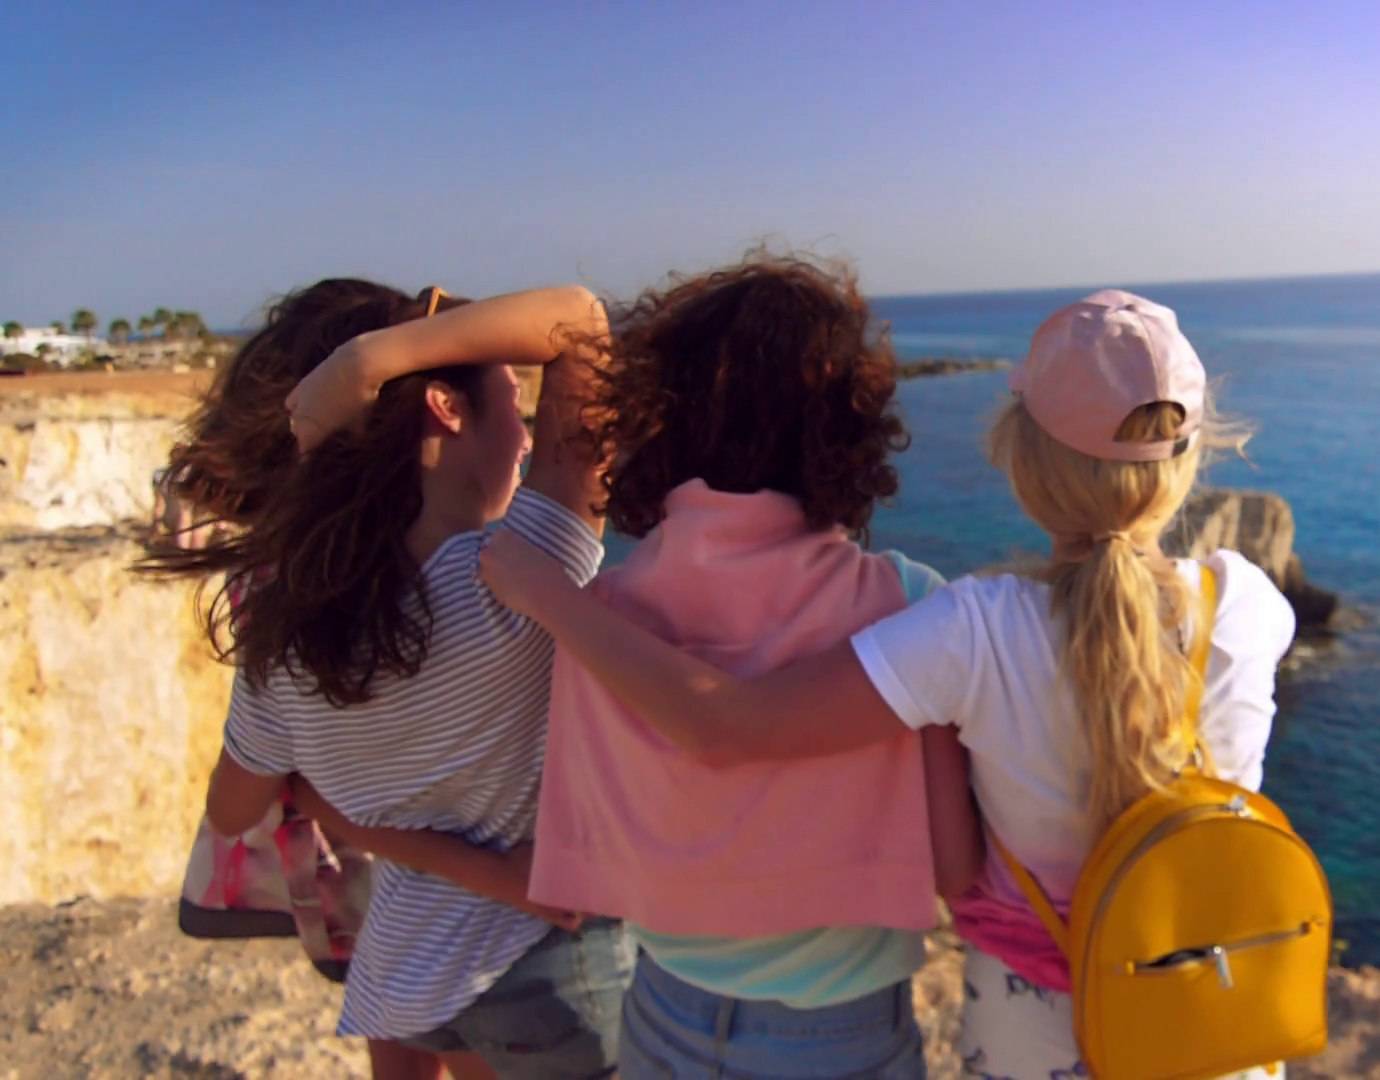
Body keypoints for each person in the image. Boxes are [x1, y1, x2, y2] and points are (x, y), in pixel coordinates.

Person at [479, 290, 1297, 1080]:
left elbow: (742, 730)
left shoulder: (967, 632)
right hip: (1209, 1013)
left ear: (1023, 460)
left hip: (982, 1030)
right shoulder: (1249, 604)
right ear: (1189, 459)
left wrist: (552, 596)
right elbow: (952, 862)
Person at [292, 252, 983, 1079]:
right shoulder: (911, 605)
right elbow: (955, 868)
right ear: (849, 428)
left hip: (660, 1011)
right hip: (839, 1028)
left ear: (661, 418)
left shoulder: (597, 614)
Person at [167, 278, 634, 1079]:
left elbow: (233, 808)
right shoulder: (518, 580)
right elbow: (583, 323)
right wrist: (369, 363)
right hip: (548, 970)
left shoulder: (290, 632)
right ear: (445, 409)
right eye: (512, 404)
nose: (526, 437)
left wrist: (432, 850)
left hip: (411, 971)